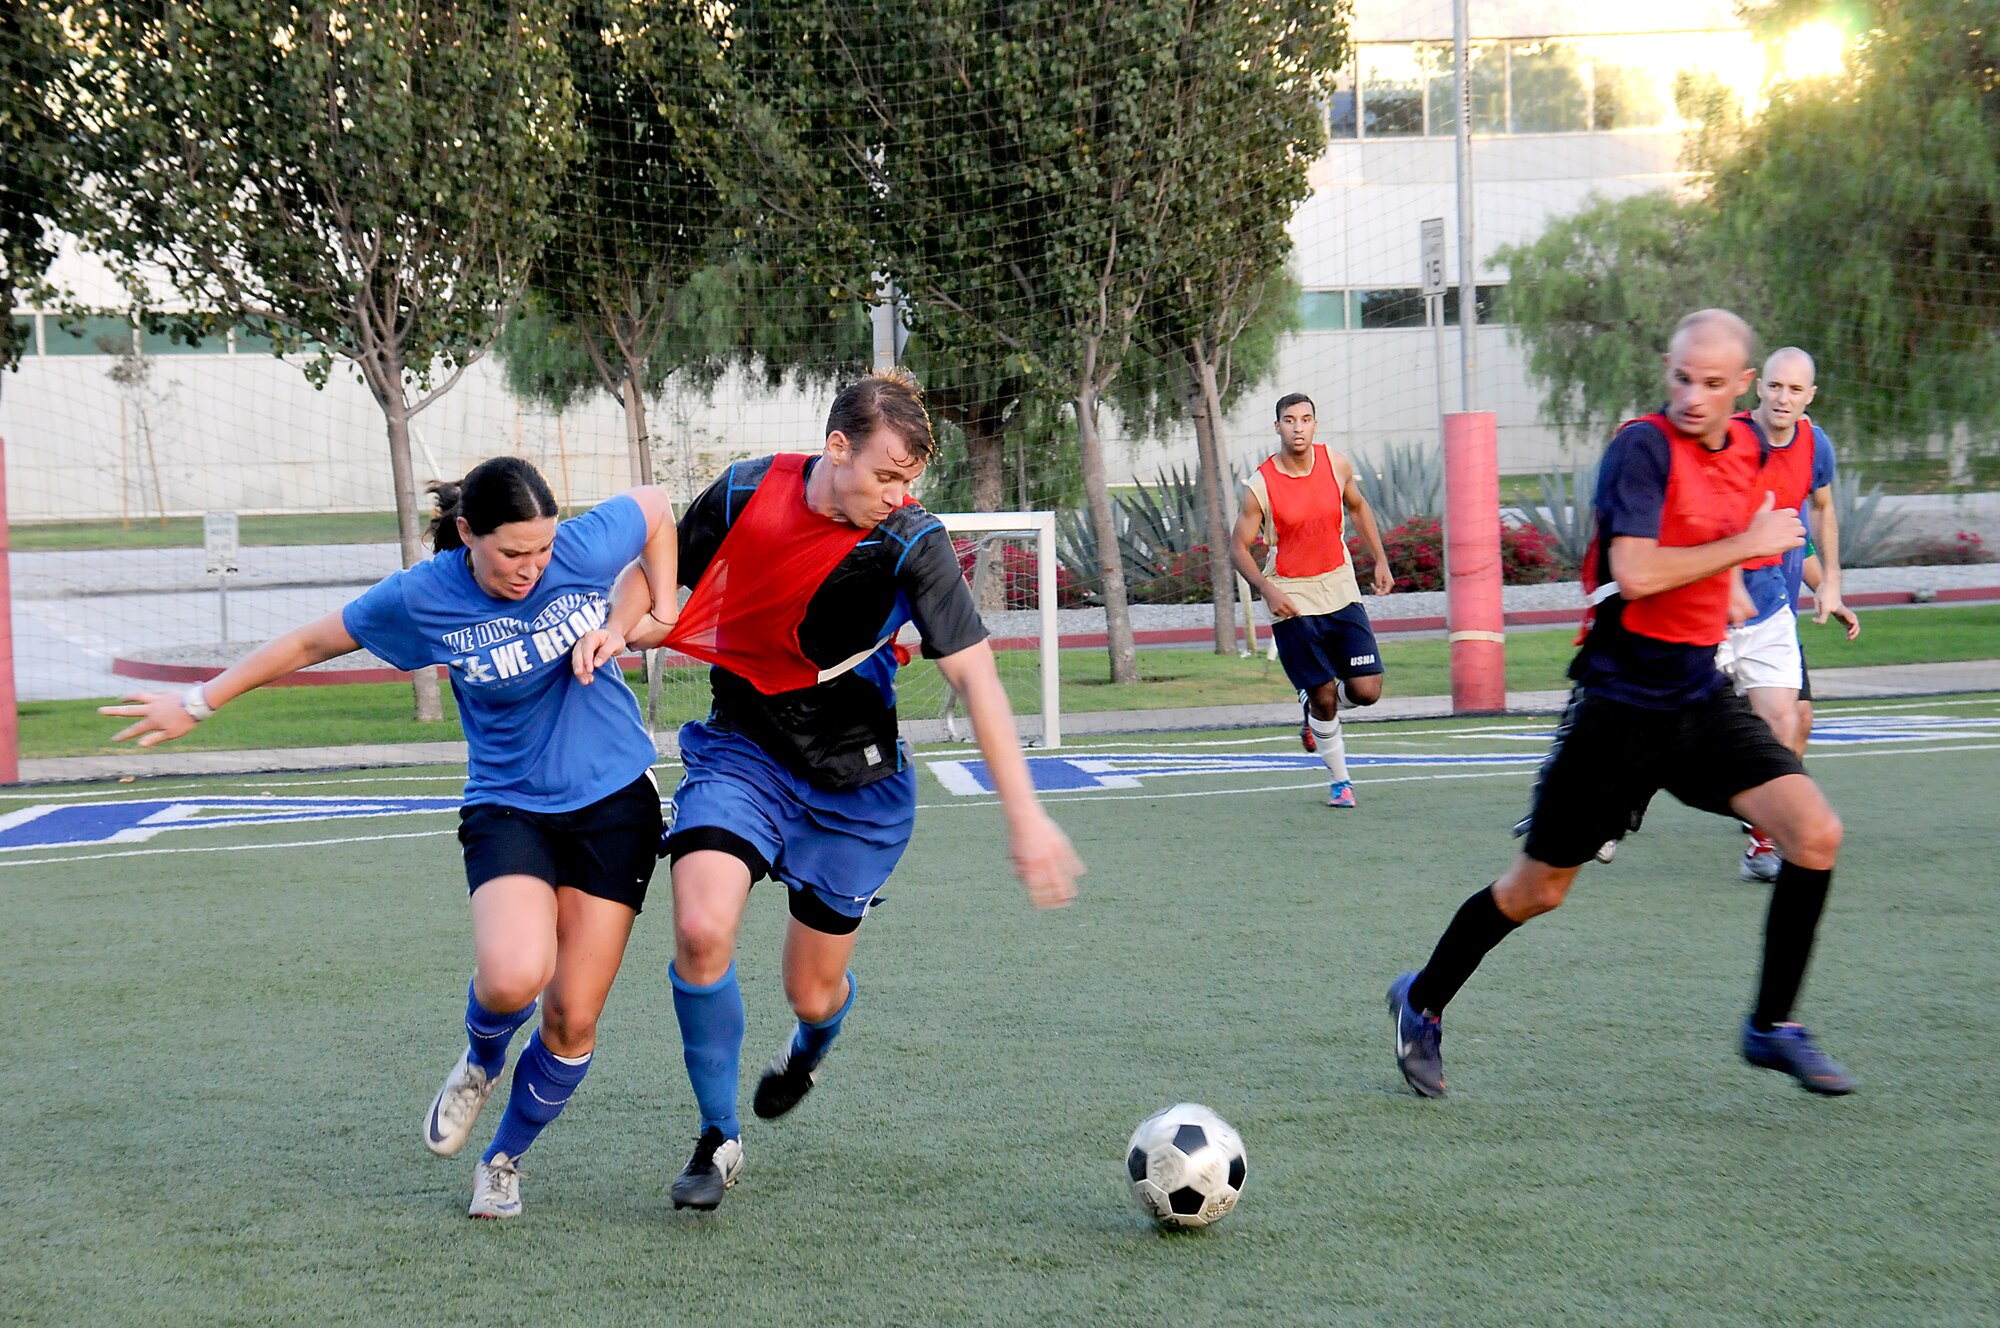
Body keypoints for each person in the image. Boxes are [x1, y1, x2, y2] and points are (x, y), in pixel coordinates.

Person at [103, 457, 681, 1218]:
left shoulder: (572, 547)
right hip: (509, 805)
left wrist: (643, 616)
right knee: (513, 976)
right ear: (468, 533)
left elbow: (656, 507)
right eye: (512, 553)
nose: (531, 568)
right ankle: (480, 1061)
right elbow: (311, 643)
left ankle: (504, 1159)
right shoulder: (425, 595)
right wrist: (199, 701)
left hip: (615, 802)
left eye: (541, 551)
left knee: (572, 1018)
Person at [617, 367, 1082, 1212]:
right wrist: (608, 631)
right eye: (886, 475)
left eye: (911, 480)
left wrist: (1028, 818)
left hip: (852, 785)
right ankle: (717, 1137)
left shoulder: (913, 540)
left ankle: (810, 1046)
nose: (898, 495)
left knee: (811, 988)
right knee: (699, 925)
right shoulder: (747, 488)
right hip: (743, 752)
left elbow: (979, 684)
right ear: (837, 447)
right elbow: (657, 583)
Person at [1384, 309, 1856, 1100]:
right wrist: (1743, 552)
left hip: (1700, 699)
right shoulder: (1640, 447)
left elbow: (1733, 522)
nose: (1693, 396)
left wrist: (1732, 585)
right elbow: (1634, 571)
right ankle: (1421, 1000)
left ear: (1741, 386)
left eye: (1712, 383)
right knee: (1536, 890)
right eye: (1681, 377)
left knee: (1815, 834)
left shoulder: (1744, 446)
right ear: (1667, 370)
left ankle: (1770, 1026)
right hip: (1617, 710)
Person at [1719, 348, 1859, 880]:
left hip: (1772, 606)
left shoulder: (1814, 445)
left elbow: (1818, 513)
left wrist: (1833, 588)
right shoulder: (1730, 439)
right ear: (1759, 387)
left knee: (1792, 718)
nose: (1783, 398)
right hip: (1711, 606)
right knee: (1660, 722)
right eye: (1775, 386)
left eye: (1795, 390)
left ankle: (1764, 840)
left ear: (1810, 397)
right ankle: (1598, 811)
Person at [1230, 392, 1395, 807]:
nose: (1298, 427)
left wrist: (1379, 559)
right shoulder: (1261, 485)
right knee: (1322, 696)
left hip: (1339, 587)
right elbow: (1238, 547)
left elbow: (1357, 507)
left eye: (1305, 419)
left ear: (1315, 425)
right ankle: (1341, 782)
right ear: (1278, 427)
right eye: (1289, 420)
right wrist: (1267, 589)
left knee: (1367, 691)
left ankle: (1316, 716)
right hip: (1292, 596)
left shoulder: (1336, 463)